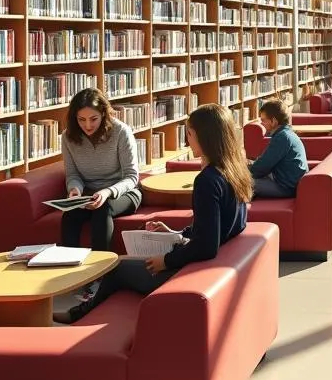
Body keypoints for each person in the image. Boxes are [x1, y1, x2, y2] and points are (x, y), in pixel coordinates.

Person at [56, 103, 251, 324]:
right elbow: (220, 227)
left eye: (190, 133)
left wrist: (166, 260)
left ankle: (80, 314)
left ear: (205, 137)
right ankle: (87, 310)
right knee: (127, 261)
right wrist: (176, 234)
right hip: (206, 262)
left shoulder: (207, 181)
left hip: (191, 268)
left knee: (115, 266)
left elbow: (207, 246)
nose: (187, 139)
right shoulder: (232, 170)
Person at [60, 88, 142, 251]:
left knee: (103, 209)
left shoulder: (121, 132)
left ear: (104, 114)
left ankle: (101, 270)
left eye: (93, 119)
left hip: (124, 193)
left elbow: (132, 177)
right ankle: (68, 268)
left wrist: (107, 192)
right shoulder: (68, 137)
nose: (87, 125)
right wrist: (75, 190)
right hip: (88, 196)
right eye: (81, 119)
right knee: (69, 215)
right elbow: (73, 174)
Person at [248, 100, 308, 198]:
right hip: (287, 182)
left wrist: (241, 174)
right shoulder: (287, 133)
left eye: (263, 120)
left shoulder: (282, 138)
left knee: (238, 183)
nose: (261, 124)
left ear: (274, 121)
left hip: (285, 187)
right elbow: (266, 162)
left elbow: (261, 168)